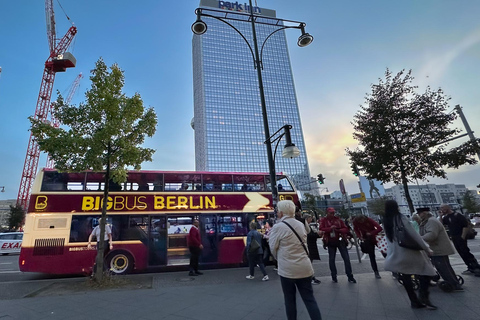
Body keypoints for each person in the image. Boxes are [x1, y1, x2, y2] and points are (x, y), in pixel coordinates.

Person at [268, 200, 322, 320]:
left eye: (278, 211)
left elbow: (273, 247)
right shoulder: (300, 225)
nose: (277, 213)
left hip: (288, 270)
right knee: (310, 299)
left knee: (290, 300)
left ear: (281, 213)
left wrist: (280, 259)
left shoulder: (278, 227)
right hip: (305, 267)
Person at [383, 200, 437, 309]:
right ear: (396, 207)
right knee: (427, 271)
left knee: (406, 276)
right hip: (409, 250)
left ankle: (414, 301)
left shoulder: (385, 220)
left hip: (396, 253)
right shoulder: (400, 217)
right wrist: (426, 248)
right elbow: (413, 234)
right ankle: (423, 295)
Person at [417, 207, 463, 291]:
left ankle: (454, 284)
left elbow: (432, 235)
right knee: (443, 266)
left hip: (438, 249)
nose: (419, 215)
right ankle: (453, 282)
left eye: (419, 213)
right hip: (435, 248)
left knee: (443, 267)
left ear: (424, 213)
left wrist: (419, 239)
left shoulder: (431, 221)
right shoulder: (427, 221)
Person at [439, 204, 480, 275]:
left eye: (442, 208)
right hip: (454, 237)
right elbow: (441, 224)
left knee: (465, 251)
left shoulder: (457, 215)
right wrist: (440, 216)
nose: (441, 209)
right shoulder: (446, 217)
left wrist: (462, 237)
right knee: (461, 252)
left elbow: (465, 225)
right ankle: (469, 267)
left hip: (460, 236)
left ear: (448, 207)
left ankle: (475, 266)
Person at [319, 207, 356, 283]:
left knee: (346, 258)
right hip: (330, 241)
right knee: (332, 259)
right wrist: (330, 228)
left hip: (340, 240)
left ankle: (350, 275)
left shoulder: (338, 219)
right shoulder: (324, 220)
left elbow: (345, 229)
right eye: (331, 213)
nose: (332, 214)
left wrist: (338, 230)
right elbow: (321, 229)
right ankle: (334, 276)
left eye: (333, 213)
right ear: (327, 213)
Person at [352, 214, 383, 279]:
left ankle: (393, 271)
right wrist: (360, 237)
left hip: (375, 237)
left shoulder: (369, 220)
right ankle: (376, 272)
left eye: (362, 221)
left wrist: (371, 233)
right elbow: (356, 229)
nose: (361, 222)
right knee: (372, 256)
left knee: (384, 253)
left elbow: (379, 228)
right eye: (360, 221)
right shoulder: (355, 222)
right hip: (366, 239)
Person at [304, 214, 322, 284]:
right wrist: (317, 234)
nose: (311, 220)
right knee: (309, 262)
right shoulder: (305, 227)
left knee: (309, 262)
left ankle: (311, 277)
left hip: (310, 245)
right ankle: (310, 277)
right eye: (310, 218)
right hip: (309, 246)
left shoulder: (307, 226)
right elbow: (309, 235)